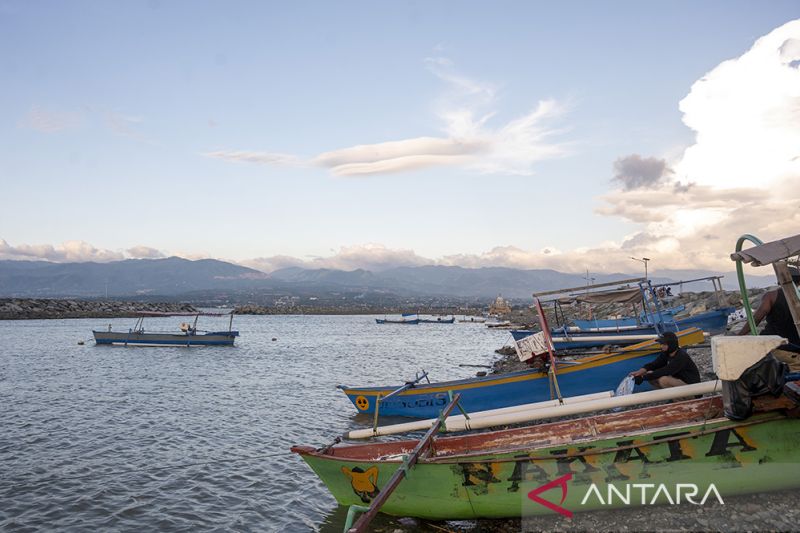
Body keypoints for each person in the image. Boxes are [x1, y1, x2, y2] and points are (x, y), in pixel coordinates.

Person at [737, 265, 800, 352]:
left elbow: (756, 319)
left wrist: (739, 335)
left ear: (780, 280)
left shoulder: (771, 296)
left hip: (775, 343)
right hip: (797, 345)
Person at [629, 331, 701, 389]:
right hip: (680, 384)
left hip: (693, 389)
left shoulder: (681, 356)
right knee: (650, 374)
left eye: (664, 344)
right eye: (661, 344)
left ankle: (679, 401)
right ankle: (673, 397)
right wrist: (640, 371)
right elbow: (654, 364)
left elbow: (665, 371)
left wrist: (643, 377)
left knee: (664, 380)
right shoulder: (666, 353)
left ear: (671, 344)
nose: (661, 346)